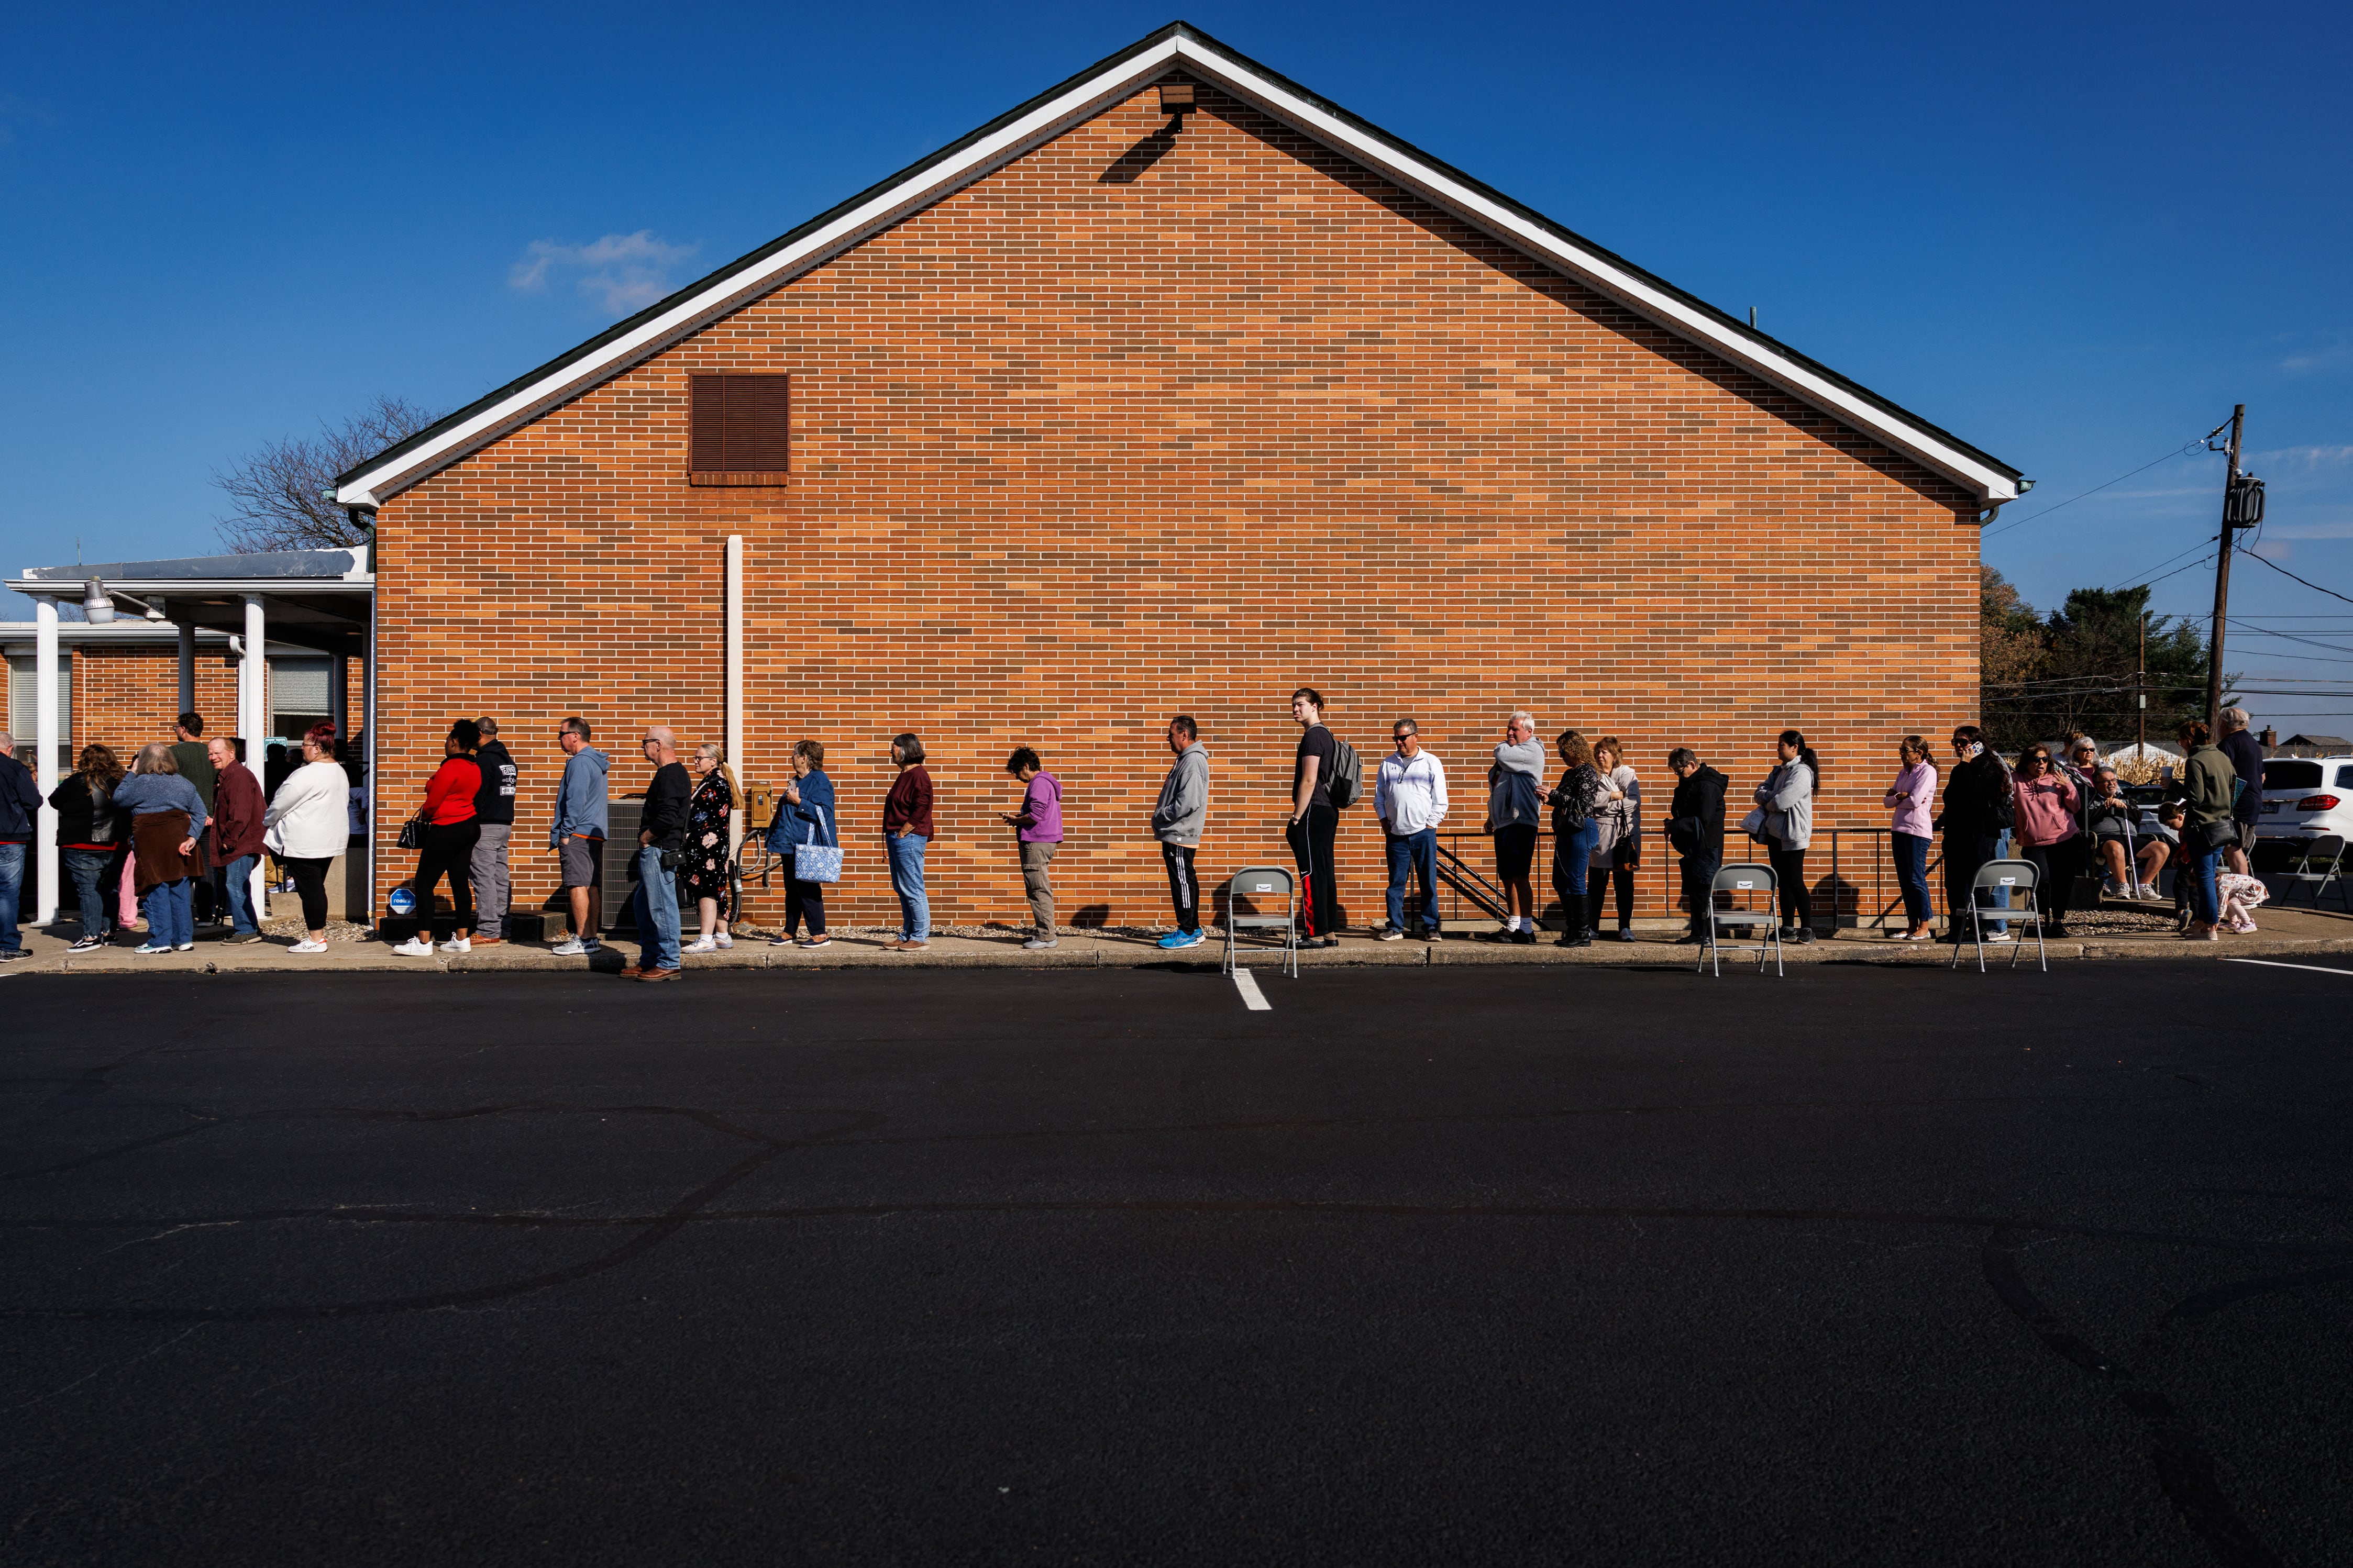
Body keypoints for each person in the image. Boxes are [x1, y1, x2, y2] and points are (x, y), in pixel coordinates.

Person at [391, 721, 483, 958]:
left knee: (424, 883)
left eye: (447, 740)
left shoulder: (449, 768)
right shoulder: (475, 767)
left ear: (453, 742)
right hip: (470, 826)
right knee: (460, 882)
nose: (445, 744)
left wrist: (425, 815)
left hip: (446, 829)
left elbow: (432, 804)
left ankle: (422, 943)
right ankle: (462, 938)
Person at [113, 743, 209, 954]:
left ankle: (160, 940)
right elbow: (201, 813)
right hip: (179, 840)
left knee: (155, 889)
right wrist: (193, 837)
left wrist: (132, 773)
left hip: (150, 841)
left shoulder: (139, 783)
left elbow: (118, 799)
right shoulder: (184, 784)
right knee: (180, 890)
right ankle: (184, 939)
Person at [264, 724, 349, 953]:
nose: (302, 749)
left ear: (317, 748)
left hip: (305, 842)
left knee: (310, 891)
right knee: (315, 889)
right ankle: (317, 936)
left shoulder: (306, 774)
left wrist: (267, 821)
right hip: (329, 839)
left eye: (304, 744)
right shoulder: (339, 771)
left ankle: (316, 939)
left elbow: (279, 804)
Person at [1936, 726, 2013, 944]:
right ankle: (1957, 929)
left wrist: (1965, 765)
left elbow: (1973, 795)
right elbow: (1951, 798)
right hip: (1957, 834)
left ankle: (1978, 929)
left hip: (1979, 834)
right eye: (1955, 742)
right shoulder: (1961, 768)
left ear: (1977, 743)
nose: (1959, 746)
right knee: (1955, 884)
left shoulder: (1989, 766)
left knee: (1975, 881)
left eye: (1963, 742)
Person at [1374, 719, 1448, 941]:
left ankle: (1431, 927)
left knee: (1428, 882)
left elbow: (1441, 799)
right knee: (1396, 883)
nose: (1399, 742)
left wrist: (1430, 824)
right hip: (1396, 835)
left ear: (1416, 736)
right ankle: (1395, 927)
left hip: (1423, 833)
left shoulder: (1431, 762)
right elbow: (1379, 798)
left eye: (1403, 737)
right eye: (1396, 738)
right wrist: (1385, 822)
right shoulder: (1388, 764)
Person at [48, 742, 127, 952]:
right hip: (116, 843)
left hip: (80, 843)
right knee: (110, 888)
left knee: (88, 890)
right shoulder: (121, 782)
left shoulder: (76, 781)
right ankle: (109, 933)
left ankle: (92, 936)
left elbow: (53, 801)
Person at [627, 726, 692, 978]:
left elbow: (667, 817)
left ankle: (668, 962)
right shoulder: (668, 775)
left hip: (659, 850)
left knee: (661, 907)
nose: (642, 747)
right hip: (656, 849)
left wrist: (646, 838)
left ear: (658, 744)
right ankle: (651, 958)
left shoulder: (671, 775)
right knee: (644, 905)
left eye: (644, 742)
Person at [548, 717, 609, 957]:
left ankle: (584, 939)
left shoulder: (581, 762)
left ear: (575, 735)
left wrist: (565, 834)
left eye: (561, 734)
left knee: (577, 885)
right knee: (590, 885)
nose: (559, 739)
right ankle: (590, 938)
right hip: (593, 833)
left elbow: (575, 801)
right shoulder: (595, 761)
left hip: (578, 833)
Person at [1482, 711, 1545, 943]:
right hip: (1504, 823)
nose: (1509, 733)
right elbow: (1499, 787)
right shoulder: (1512, 753)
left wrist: (1502, 749)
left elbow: (1501, 753)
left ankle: (1527, 930)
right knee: (1507, 876)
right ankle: (1514, 925)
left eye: (1514, 729)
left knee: (1520, 876)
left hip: (1521, 822)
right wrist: (1493, 817)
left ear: (1529, 732)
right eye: (1508, 728)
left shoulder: (1532, 750)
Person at [1286, 688, 1343, 946]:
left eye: (1300, 705)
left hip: (1313, 811)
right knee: (1323, 871)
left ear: (1315, 706)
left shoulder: (1313, 736)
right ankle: (1329, 931)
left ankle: (1313, 933)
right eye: (1293, 705)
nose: (1295, 710)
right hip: (1327, 811)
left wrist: (1297, 816)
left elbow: (1309, 780)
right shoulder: (1327, 735)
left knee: (1310, 873)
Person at [767, 739, 836, 948]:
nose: (791, 758)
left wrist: (800, 803)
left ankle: (820, 935)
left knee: (808, 889)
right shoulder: (796, 781)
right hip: (790, 844)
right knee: (792, 889)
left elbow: (825, 812)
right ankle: (790, 931)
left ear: (805, 758)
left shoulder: (820, 781)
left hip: (807, 845)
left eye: (794, 754)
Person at [2011, 743, 2085, 938]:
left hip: (2064, 838)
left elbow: (2076, 807)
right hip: (2033, 841)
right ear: (2027, 762)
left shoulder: (2056, 779)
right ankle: (2041, 918)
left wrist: (2068, 786)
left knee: (2062, 882)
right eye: (2036, 760)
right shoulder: (2015, 780)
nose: (2041, 764)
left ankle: (2058, 922)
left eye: (2045, 760)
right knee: (2041, 880)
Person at [1752, 730, 1819, 944]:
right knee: (1782, 883)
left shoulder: (1802, 772)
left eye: (1781, 745)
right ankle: (1788, 927)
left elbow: (1783, 802)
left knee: (1796, 881)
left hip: (1793, 834)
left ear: (1794, 747)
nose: (1778, 748)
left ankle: (1808, 928)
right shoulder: (1779, 771)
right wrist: (1770, 797)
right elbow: (1759, 792)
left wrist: (1769, 801)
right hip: (1775, 834)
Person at [1150, 716, 1210, 950]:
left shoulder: (1192, 761)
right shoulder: (1186, 759)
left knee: (1183, 882)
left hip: (1180, 833)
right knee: (1186, 880)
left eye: (1171, 733)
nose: (1168, 738)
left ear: (1184, 735)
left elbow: (1189, 801)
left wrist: (1162, 815)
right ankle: (1192, 927)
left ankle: (1187, 932)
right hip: (1178, 833)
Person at [1548, 730, 1609, 947]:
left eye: (1563, 751)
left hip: (1580, 829)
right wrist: (1549, 797)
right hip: (1566, 831)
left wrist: (1552, 795)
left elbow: (1583, 804)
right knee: (1560, 880)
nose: (1561, 755)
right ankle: (1573, 927)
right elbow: (1566, 800)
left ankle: (1583, 934)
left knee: (1575, 880)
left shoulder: (1587, 772)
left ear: (1574, 750)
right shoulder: (1569, 773)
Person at [680, 742, 741, 953]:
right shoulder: (714, 781)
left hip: (708, 847)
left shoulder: (715, 784)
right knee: (716, 888)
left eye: (700, 758)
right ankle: (722, 935)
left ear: (713, 761)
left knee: (706, 889)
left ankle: (706, 938)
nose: (695, 761)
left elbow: (702, 819)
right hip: (713, 846)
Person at [206, 736, 268, 944]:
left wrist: (230, 840)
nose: (213, 757)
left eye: (217, 753)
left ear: (231, 753)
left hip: (241, 843)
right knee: (238, 885)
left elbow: (240, 813)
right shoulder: (230, 776)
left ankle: (246, 931)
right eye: (210, 753)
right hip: (240, 842)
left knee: (235, 885)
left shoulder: (238, 776)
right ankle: (249, 928)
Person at [2178, 720, 2236, 942]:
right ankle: (2203, 921)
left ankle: (2210, 925)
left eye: (2181, 740)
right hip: (2221, 825)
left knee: (2203, 877)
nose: (2181, 744)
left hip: (2201, 826)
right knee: (2209, 875)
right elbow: (2232, 790)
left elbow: (2196, 798)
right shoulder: (2223, 757)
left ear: (2189, 740)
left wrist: (2173, 787)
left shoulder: (2195, 761)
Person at [999, 746, 1062, 949]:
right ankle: (1045, 934)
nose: (1018, 777)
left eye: (1018, 772)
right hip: (1043, 840)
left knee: (1038, 889)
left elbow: (1036, 815)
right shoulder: (1045, 782)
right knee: (1039, 887)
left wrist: (1016, 820)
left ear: (1026, 766)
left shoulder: (1039, 783)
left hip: (1037, 841)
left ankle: (1047, 937)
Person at [1663, 748, 1726, 944]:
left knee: (1702, 891)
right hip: (1695, 845)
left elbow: (1703, 820)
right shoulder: (1691, 784)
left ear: (1692, 765)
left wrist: (1675, 825)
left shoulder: (1707, 786)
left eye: (1680, 772)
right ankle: (1698, 932)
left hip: (1707, 846)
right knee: (1695, 890)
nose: (1679, 776)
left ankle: (1704, 934)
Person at [469, 716, 519, 947]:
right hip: (504, 825)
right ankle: (502, 926)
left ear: (479, 734)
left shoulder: (484, 761)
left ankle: (488, 930)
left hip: (486, 825)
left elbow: (478, 795)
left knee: (484, 878)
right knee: (500, 876)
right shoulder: (506, 759)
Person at [881, 731, 934, 951]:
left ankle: (920, 936)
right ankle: (908, 934)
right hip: (898, 838)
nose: (890, 752)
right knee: (902, 888)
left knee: (912, 887)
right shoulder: (905, 774)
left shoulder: (919, 775)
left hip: (909, 838)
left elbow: (922, 806)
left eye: (893, 747)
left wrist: (904, 832)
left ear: (905, 749)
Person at [1883, 735, 1938, 940]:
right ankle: (1912, 924)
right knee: (1905, 880)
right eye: (1901, 750)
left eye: (1905, 751)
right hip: (1899, 829)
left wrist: (1902, 797)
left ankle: (1924, 925)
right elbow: (1887, 802)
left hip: (1917, 831)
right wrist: (1899, 796)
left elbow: (1915, 801)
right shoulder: (1903, 772)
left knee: (1916, 878)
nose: (1902, 755)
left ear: (1919, 753)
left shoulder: (1928, 771)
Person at [1586, 737, 1640, 942]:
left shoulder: (1627, 774)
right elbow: (1589, 802)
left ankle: (1625, 926)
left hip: (1623, 835)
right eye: (1598, 752)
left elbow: (1633, 803)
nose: (1600, 756)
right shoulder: (1592, 775)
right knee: (1597, 885)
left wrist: (1603, 805)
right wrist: (1611, 796)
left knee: (1624, 884)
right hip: (1600, 835)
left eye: (1605, 752)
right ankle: (1592, 926)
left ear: (1615, 756)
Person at [169, 713, 217, 921]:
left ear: (184, 729)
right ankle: (206, 915)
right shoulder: (212, 753)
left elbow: (169, 785)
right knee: (207, 867)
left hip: (184, 818)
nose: (175, 731)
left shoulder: (173, 753)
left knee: (180, 865)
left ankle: (179, 916)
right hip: (209, 817)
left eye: (176, 728)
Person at [0, 733, 40, 960]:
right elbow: (33, 801)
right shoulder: (15, 768)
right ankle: (8, 946)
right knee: (7, 894)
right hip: (10, 836)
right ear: (11, 748)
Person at [2216, 707, 2264, 876]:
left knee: (2233, 848)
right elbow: (2263, 776)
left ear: (2224, 723)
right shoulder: (2254, 743)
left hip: (2238, 802)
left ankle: (2242, 891)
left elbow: (2222, 774)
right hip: (2254, 800)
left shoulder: (2229, 743)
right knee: (2237, 848)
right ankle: (2243, 890)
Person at [2083, 767, 2144, 899]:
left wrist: (2123, 806)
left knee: (2161, 848)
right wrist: (2107, 805)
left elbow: (2138, 817)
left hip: (2129, 837)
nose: (2112, 784)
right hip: (2105, 840)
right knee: (2116, 847)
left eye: (2114, 780)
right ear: (2097, 784)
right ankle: (2122, 885)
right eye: (2106, 781)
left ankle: (2144, 886)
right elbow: (2088, 818)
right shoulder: (2091, 798)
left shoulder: (2125, 798)